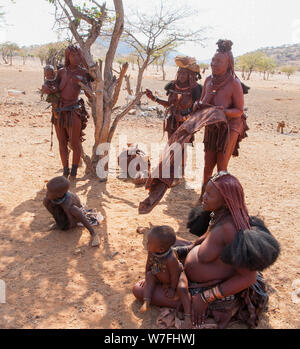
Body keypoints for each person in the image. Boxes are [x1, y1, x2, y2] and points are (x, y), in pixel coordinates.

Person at [133, 172, 280, 329]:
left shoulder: (230, 229)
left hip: (208, 292)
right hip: (190, 275)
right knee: (168, 240)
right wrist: (175, 254)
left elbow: (248, 278)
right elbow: (196, 246)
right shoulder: (218, 216)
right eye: (205, 191)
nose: (204, 197)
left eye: (209, 195)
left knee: (138, 290)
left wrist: (205, 298)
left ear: (225, 200)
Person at [194, 40, 249, 199]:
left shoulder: (234, 83)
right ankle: (204, 197)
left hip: (230, 127)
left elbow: (238, 110)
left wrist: (222, 112)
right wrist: (198, 105)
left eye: (219, 61)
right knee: (207, 165)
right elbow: (204, 101)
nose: (213, 63)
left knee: (221, 166)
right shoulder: (208, 80)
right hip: (212, 126)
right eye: (213, 60)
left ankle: (219, 199)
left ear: (228, 64)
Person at [41, 45, 93, 179]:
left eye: (77, 55)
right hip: (58, 112)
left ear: (81, 56)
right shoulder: (62, 72)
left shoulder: (83, 73)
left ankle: (74, 173)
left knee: (75, 143)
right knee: (62, 142)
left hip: (73, 111)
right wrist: (46, 88)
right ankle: (65, 170)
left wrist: (82, 83)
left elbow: (90, 93)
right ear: (67, 57)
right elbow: (53, 86)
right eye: (72, 56)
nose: (75, 58)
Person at [145, 56, 202, 140]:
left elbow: (198, 110)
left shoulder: (196, 89)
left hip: (187, 126)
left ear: (190, 75)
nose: (181, 75)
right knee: (172, 149)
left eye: (184, 73)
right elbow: (169, 104)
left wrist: (184, 118)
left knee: (182, 150)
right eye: (179, 72)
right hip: (172, 123)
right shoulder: (172, 86)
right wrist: (153, 97)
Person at [43, 176, 101, 247]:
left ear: (59, 194)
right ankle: (59, 223)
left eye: (49, 191)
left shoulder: (70, 205)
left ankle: (66, 225)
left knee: (72, 210)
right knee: (46, 201)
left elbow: (81, 215)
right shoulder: (52, 198)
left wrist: (93, 234)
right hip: (63, 214)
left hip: (71, 221)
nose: (47, 193)